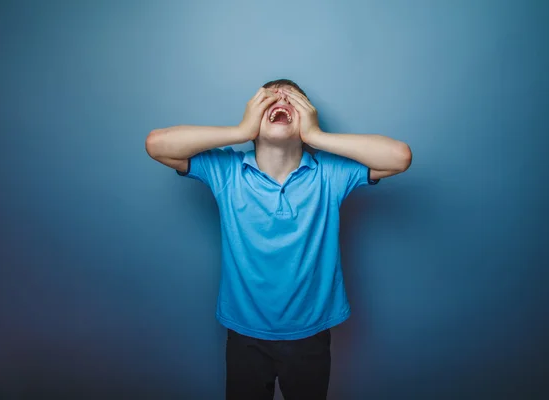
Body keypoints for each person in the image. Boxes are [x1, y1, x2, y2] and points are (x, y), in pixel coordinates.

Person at [145, 79, 412, 399]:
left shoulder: (329, 174)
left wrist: (316, 136)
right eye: (267, 101)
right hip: (244, 333)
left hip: (310, 333)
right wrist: (241, 130)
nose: (280, 103)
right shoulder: (227, 171)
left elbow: (399, 156)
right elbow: (157, 143)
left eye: (293, 102)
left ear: (306, 118)